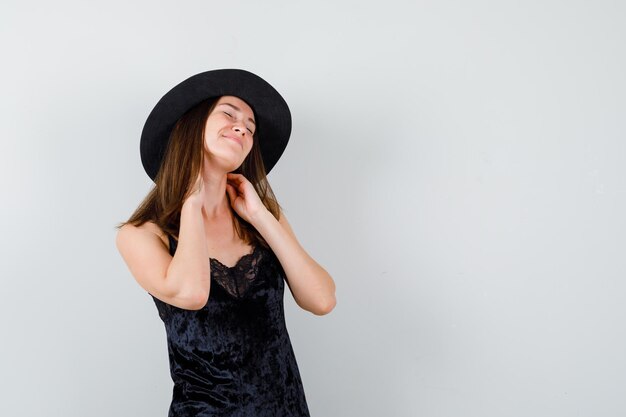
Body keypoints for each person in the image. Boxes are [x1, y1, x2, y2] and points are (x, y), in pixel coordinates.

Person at [115, 69, 336, 417]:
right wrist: (191, 201)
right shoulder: (140, 235)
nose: (243, 128)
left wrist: (262, 216)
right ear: (188, 126)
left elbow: (322, 300)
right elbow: (191, 293)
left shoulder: (263, 220)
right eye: (229, 114)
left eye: (250, 127)